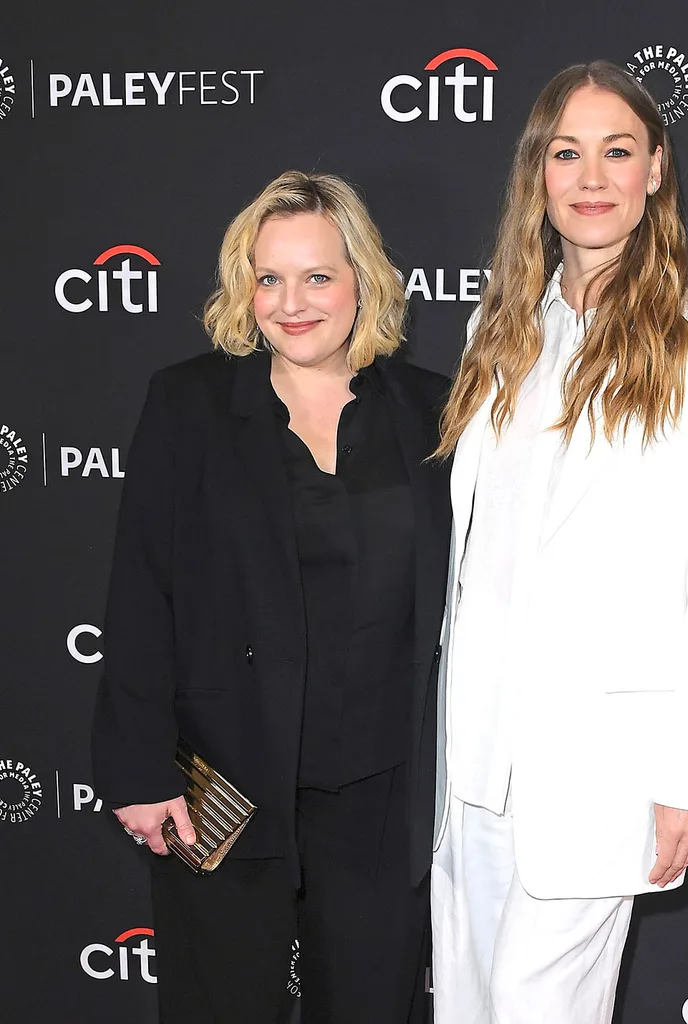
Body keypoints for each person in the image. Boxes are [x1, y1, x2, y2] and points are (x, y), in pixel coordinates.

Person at [430, 61, 688, 1024]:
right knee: (466, 1005)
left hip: (602, 765)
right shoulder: (496, 334)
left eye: (616, 151)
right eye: (564, 153)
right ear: (535, 174)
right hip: (472, 757)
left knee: (533, 1006)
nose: (590, 178)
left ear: (654, 170)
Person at [91, 170, 451, 1024]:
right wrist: (138, 769)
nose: (292, 303)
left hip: (382, 790)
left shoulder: (433, 408)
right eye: (269, 279)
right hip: (222, 780)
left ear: (362, 279)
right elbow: (141, 587)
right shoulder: (188, 403)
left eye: (317, 276)